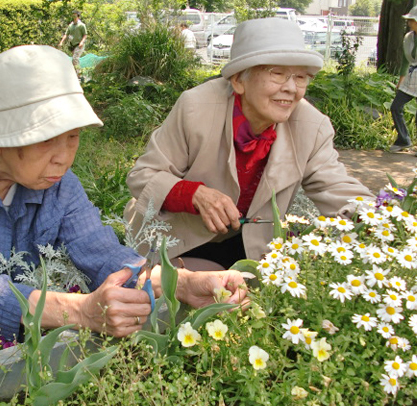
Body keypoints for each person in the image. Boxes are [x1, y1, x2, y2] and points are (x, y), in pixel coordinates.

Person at [0, 45, 247, 366]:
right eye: (47, 139)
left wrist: (185, 284)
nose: (63, 158)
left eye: (74, 137)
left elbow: (104, 256)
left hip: (0, 334)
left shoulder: (57, 183)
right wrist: (81, 311)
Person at [125, 18, 374, 271]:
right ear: (238, 81)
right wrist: (194, 194)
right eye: (277, 73)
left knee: (247, 303)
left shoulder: (312, 126)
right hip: (179, 240)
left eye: (300, 77)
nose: (290, 88)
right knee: (192, 299)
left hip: (253, 248)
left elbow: (336, 186)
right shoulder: (196, 108)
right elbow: (142, 176)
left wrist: (383, 216)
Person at [389, 5, 417, 158]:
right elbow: (405, 62)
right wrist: (401, 81)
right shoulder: (408, 37)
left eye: (412, 20)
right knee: (396, 106)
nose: (409, 22)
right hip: (413, 75)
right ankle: (403, 139)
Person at [58, 10, 87, 76]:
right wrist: (61, 42)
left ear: (78, 16)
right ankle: (75, 74)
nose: (73, 16)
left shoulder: (82, 25)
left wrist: (82, 42)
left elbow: (85, 35)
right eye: (73, 14)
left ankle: (79, 75)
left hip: (79, 45)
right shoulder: (71, 25)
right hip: (72, 45)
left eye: (75, 14)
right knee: (74, 60)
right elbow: (66, 34)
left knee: (75, 59)